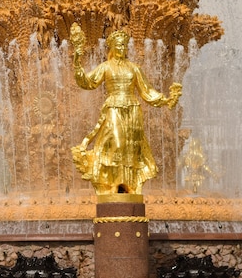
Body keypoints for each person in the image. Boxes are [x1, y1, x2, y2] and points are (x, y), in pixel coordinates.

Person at [69, 23, 182, 195]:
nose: (122, 47)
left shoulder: (134, 68)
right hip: (114, 107)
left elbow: (147, 91)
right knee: (117, 143)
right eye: (118, 44)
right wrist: (77, 59)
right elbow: (87, 82)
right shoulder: (106, 66)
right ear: (113, 47)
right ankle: (111, 182)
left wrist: (166, 100)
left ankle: (129, 186)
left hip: (133, 110)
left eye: (124, 44)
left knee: (131, 147)